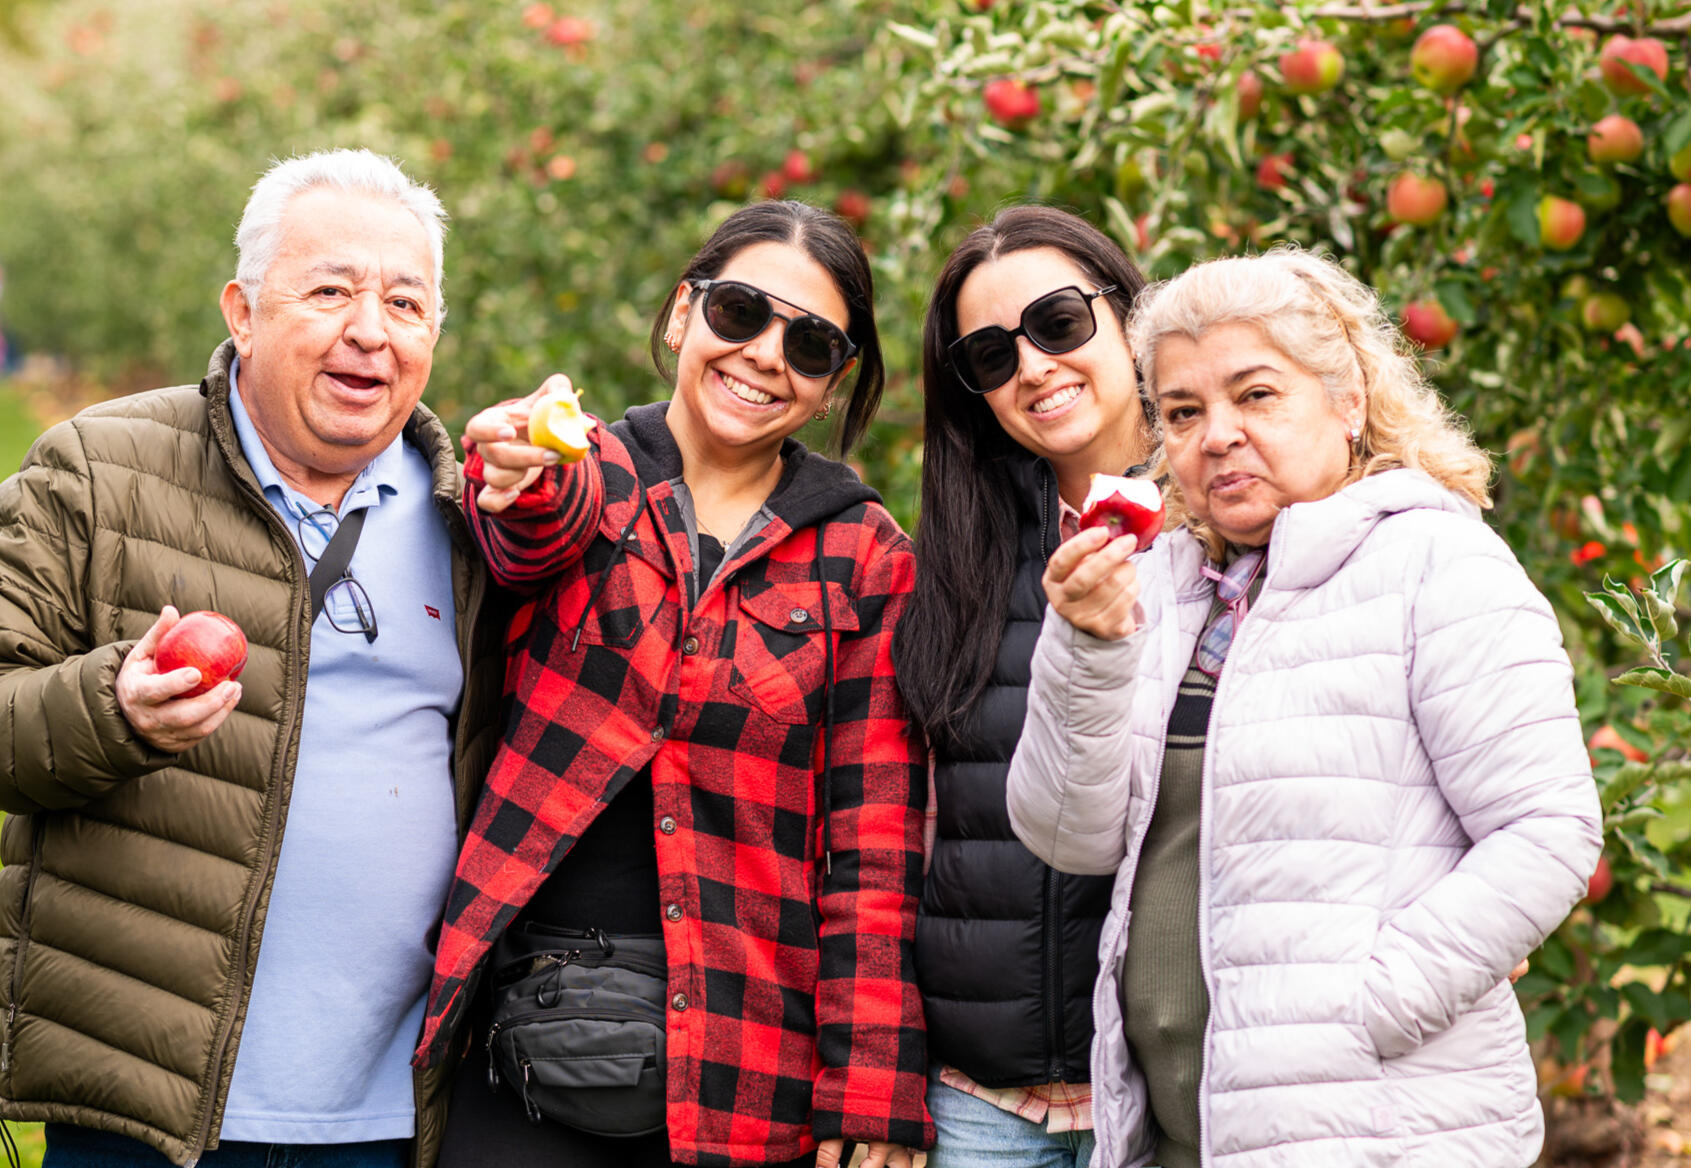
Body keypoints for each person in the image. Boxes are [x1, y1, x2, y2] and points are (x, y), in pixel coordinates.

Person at [1005, 247, 1603, 1167]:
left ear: (1348, 400)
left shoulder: (1436, 566)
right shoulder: (1160, 586)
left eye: (1256, 395)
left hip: (1375, 1134)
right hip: (1177, 1136)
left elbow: (1547, 828)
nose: (1216, 435)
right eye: (1182, 412)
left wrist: (1371, 1007)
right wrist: (1086, 645)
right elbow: (1066, 836)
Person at [0, 147, 505, 1168]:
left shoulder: (479, 523)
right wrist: (114, 711)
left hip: (388, 1116)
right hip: (143, 1106)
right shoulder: (96, 472)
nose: (370, 329)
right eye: (330, 291)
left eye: (406, 304)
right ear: (241, 310)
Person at [412, 200, 932, 1168]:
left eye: (810, 342)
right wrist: (514, 472)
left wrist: (870, 1089)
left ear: (832, 383)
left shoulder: (862, 556)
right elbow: (530, 536)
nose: (765, 354)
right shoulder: (590, 471)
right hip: (527, 1042)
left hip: (743, 1068)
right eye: (740, 311)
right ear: (682, 314)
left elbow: (874, 842)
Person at [892, 205, 1151, 1168]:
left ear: (1127, 313)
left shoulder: (1233, 529)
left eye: (1057, 324)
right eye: (990, 356)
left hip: (1162, 1086)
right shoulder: (956, 558)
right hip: (979, 1102)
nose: (1033, 368)